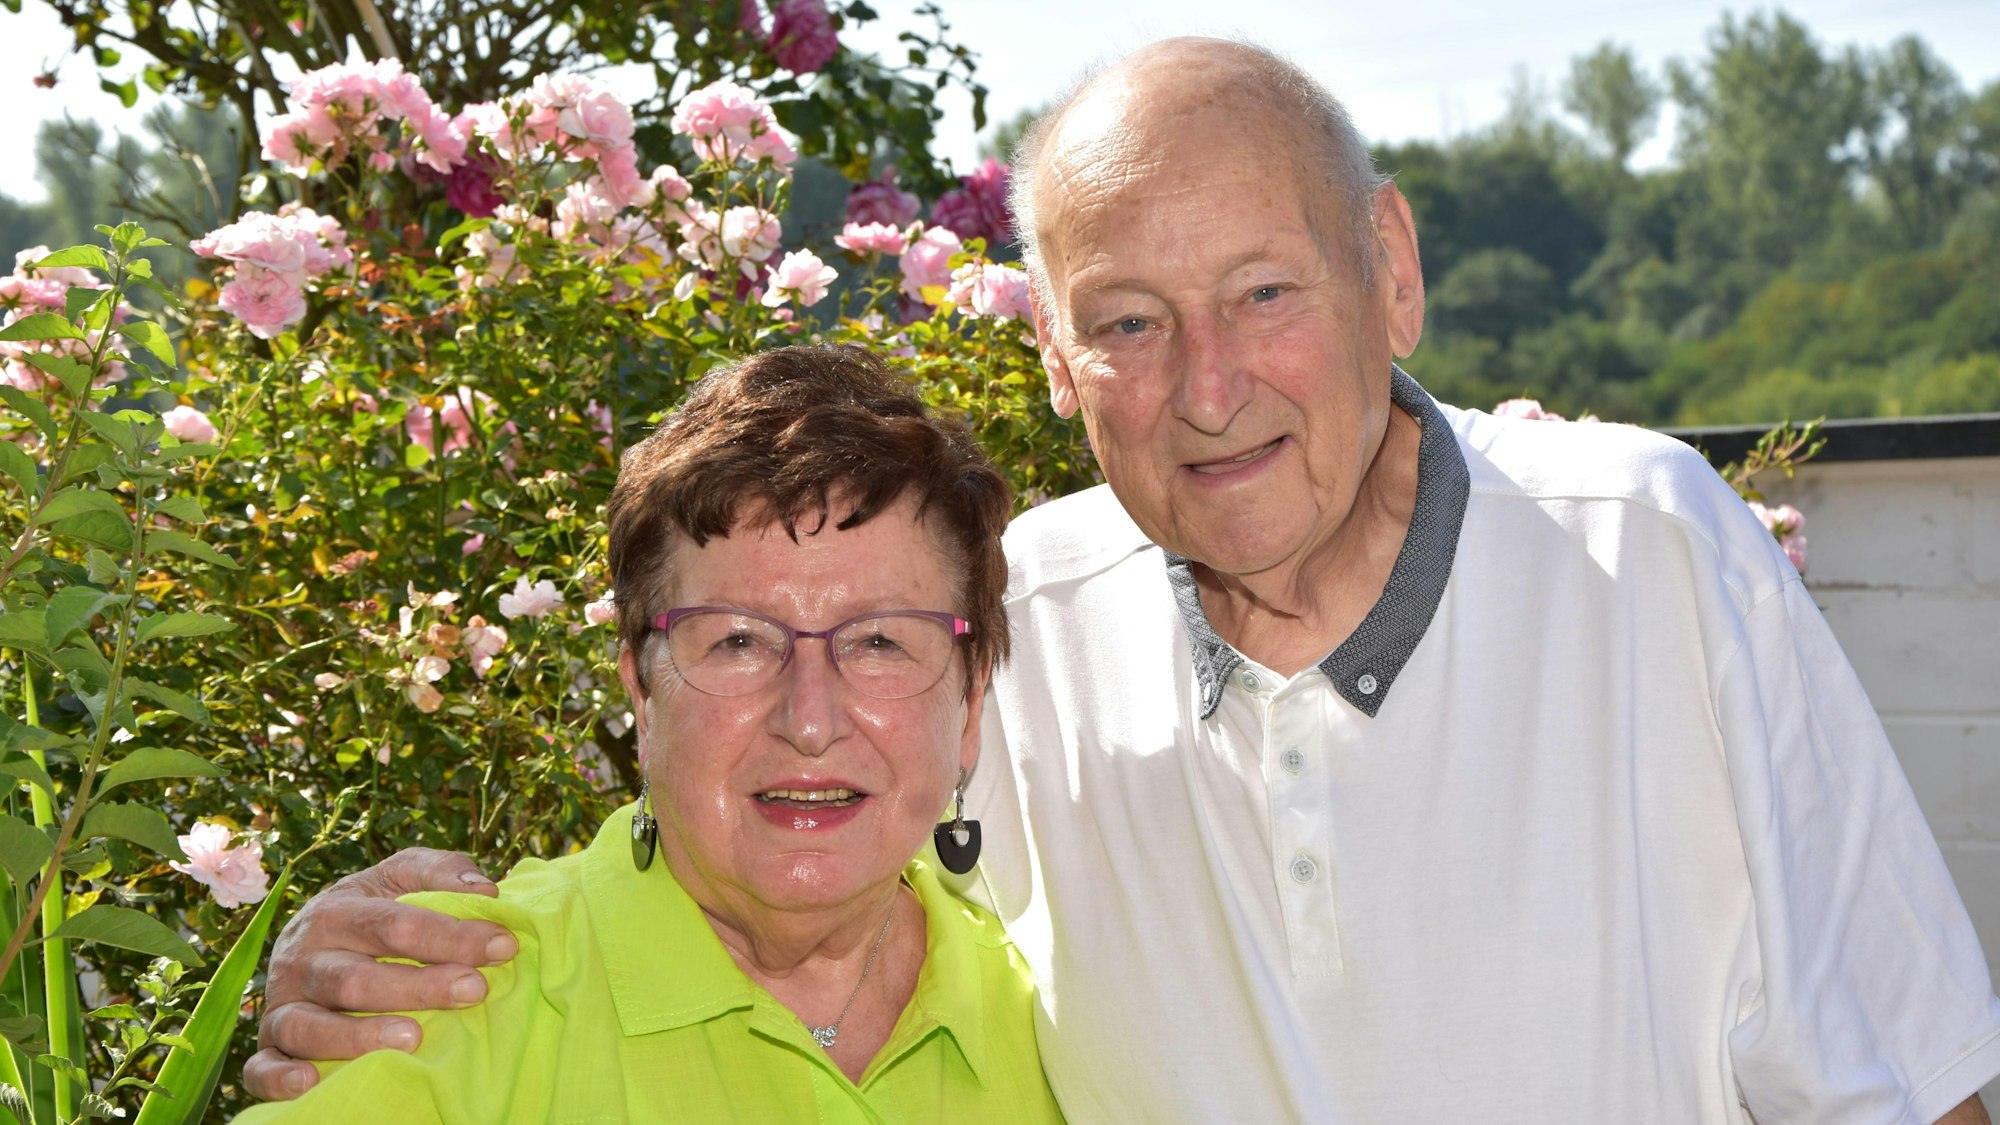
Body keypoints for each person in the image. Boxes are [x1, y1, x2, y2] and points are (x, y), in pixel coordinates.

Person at [246, 39, 2000, 1123]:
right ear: (1063, 364)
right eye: (1131, 326)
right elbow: (767, 833)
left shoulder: (1649, 552)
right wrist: (366, 951)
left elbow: (1917, 1086)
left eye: (1263, 294)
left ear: (1389, 270)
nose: (1209, 390)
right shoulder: (1006, 625)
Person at [235, 345, 1064, 1122]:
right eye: (738, 640)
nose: (809, 720)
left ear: (971, 699)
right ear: (640, 685)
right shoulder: (449, 999)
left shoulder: (1068, 1015)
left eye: (880, 640)